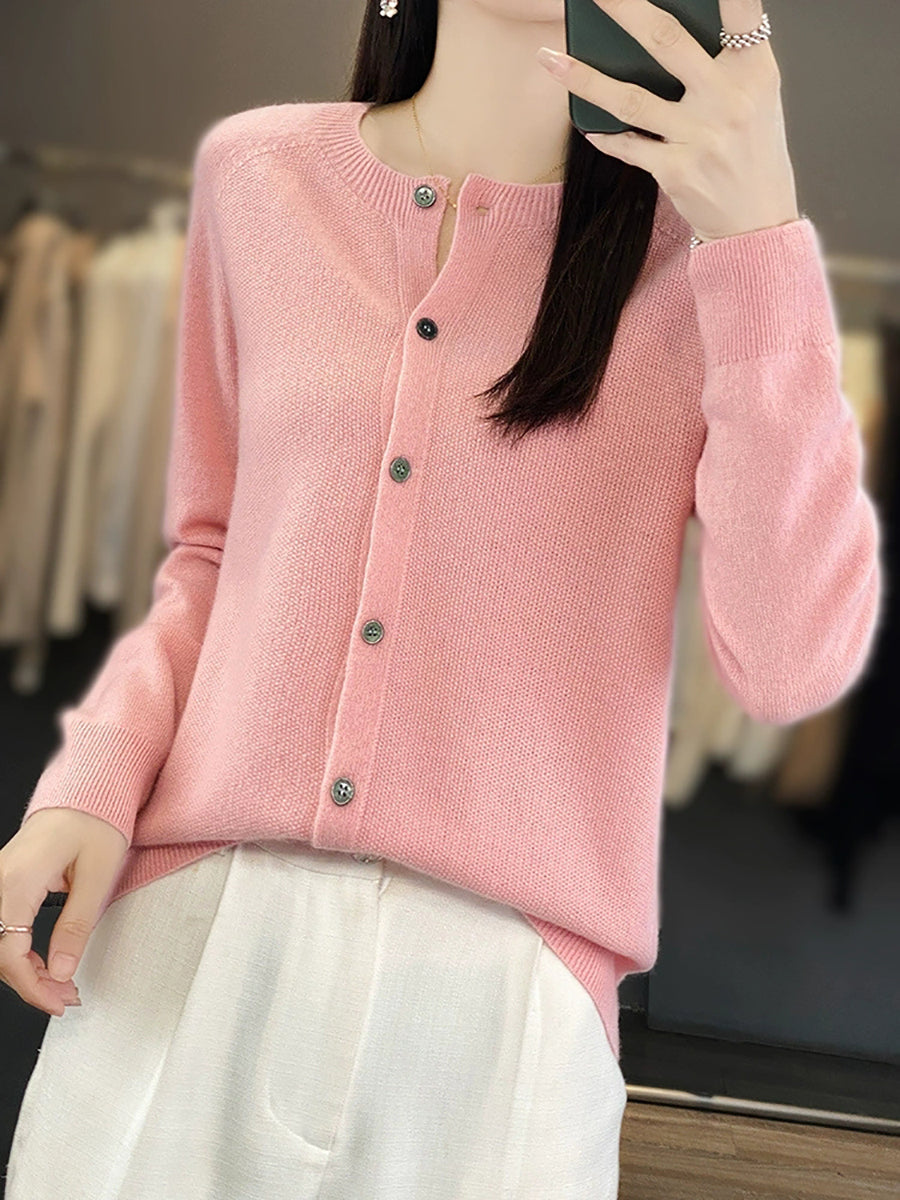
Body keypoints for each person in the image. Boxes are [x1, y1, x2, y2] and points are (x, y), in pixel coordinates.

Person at [1, 2, 883, 1198]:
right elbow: (211, 550)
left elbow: (790, 667)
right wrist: (94, 779)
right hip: (189, 941)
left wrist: (761, 237)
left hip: (502, 1011)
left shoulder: (710, 266)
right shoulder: (258, 176)